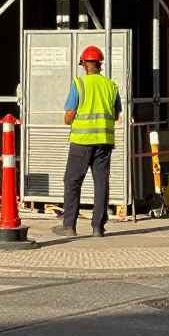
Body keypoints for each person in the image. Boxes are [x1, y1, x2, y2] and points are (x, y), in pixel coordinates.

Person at [52, 45, 122, 238]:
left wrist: (68, 122)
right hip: (105, 142)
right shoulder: (111, 86)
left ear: (84, 64)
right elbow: (116, 115)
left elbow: (69, 115)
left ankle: (69, 227)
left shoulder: (79, 84)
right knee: (101, 183)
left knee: (72, 182)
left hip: (81, 142)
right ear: (99, 64)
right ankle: (98, 228)